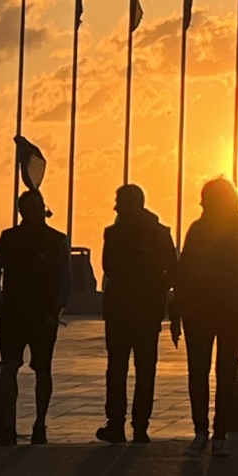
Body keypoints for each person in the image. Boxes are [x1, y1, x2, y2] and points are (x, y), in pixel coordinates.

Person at [172, 178, 238, 458]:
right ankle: (219, 436)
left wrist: (176, 310)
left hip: (199, 309)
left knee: (198, 372)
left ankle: (200, 433)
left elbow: (184, 271)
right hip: (234, 309)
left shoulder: (199, 229)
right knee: (226, 373)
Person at [96, 184, 178, 444]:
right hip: (148, 309)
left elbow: (109, 267)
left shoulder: (114, 233)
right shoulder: (160, 233)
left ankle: (116, 425)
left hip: (120, 309)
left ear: (130, 204)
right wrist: (158, 291)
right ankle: (140, 427)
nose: (116, 207)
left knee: (117, 369)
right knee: (145, 370)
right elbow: (172, 270)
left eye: (119, 202)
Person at [0, 190, 70, 446]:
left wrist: (56, 310)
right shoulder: (11, 237)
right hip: (15, 312)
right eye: (31, 207)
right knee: (12, 367)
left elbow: (64, 280)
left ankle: (38, 423)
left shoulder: (56, 240)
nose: (35, 211)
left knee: (41, 369)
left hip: (41, 315)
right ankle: (9, 426)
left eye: (37, 206)